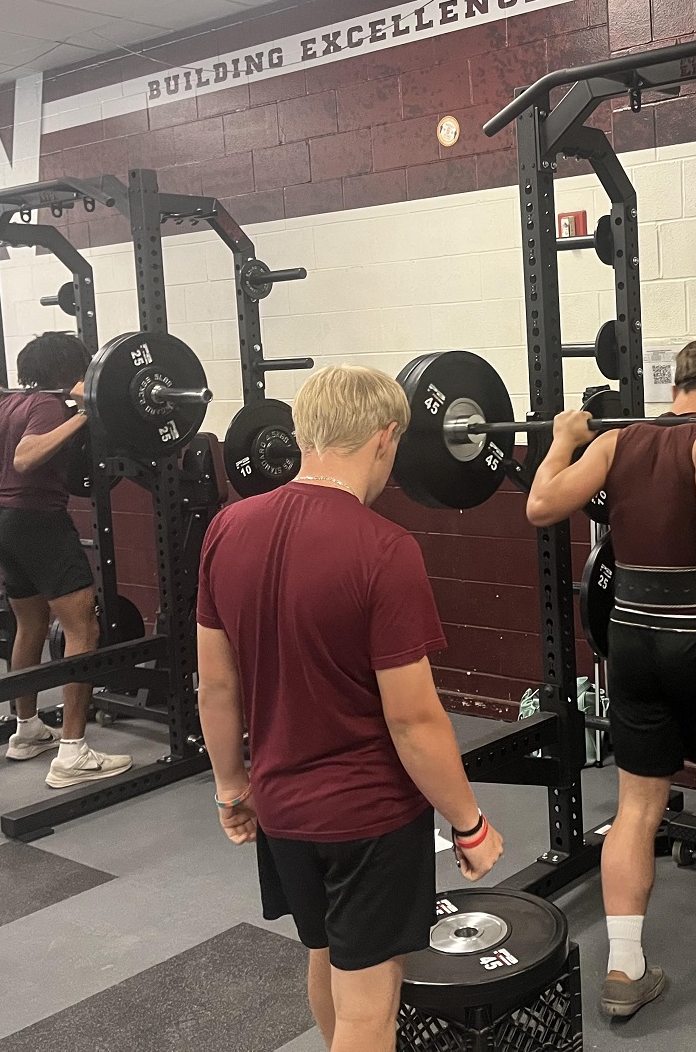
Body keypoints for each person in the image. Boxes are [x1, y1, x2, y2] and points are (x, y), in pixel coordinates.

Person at [197, 365, 504, 1052]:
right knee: (370, 1005)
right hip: (366, 816)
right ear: (386, 436)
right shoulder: (385, 548)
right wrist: (468, 821)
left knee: (326, 954)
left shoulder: (228, 527)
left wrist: (230, 788)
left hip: (281, 807)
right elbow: (412, 719)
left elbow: (216, 688)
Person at [525, 338, 696, 1019]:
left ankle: (624, 968)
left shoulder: (617, 442)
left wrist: (563, 440)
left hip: (631, 643)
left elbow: (540, 505)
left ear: (675, 385)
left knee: (637, 807)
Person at [0, 331, 130, 788]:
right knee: (84, 629)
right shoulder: (49, 405)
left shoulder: (6, 406)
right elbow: (26, 458)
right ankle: (73, 753)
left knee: (31, 625)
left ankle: (26, 731)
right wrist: (82, 412)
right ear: (70, 371)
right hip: (37, 522)